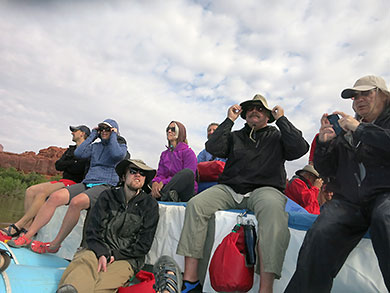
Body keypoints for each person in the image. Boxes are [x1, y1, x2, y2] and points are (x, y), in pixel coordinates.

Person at [176, 94, 309, 293]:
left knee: (274, 213)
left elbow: (300, 148)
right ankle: (191, 280)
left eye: (260, 109)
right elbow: (212, 147)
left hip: (265, 190)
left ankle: (266, 289)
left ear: (268, 116)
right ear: (245, 114)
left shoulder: (277, 135)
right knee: (196, 204)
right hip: (230, 189)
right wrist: (229, 120)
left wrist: (282, 119)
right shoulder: (235, 136)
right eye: (250, 108)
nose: (254, 111)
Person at [285, 75, 390, 292]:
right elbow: (328, 171)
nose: (358, 100)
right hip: (351, 201)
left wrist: (360, 130)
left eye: (365, 93)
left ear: (382, 94)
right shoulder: (348, 129)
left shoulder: (358, 127)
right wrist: (325, 144)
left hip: (385, 196)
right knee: (321, 231)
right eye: (354, 96)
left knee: (385, 217)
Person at [8, 119, 128, 253]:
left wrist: (113, 136)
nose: (104, 132)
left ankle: (55, 244)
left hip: (105, 185)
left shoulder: (120, 146)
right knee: (55, 197)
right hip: (87, 183)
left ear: (113, 131)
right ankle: (27, 236)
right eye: (102, 129)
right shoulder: (96, 147)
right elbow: (79, 153)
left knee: (77, 202)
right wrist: (94, 134)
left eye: (108, 129)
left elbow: (117, 155)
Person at [56, 159, 159, 293]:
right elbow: (92, 231)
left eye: (142, 173)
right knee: (83, 265)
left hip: (127, 258)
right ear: (123, 176)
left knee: (102, 286)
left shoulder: (150, 205)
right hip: (96, 249)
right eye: (133, 171)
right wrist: (102, 252)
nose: (138, 175)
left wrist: (114, 255)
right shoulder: (107, 197)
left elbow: (143, 245)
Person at [0, 125, 90, 241]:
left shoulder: (88, 150)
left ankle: (18, 225)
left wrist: (69, 163)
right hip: (63, 180)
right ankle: (27, 227)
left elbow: (78, 169)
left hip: (73, 183)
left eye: (75, 131)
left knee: (42, 192)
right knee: (30, 190)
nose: (72, 133)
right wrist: (73, 162)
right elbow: (58, 165)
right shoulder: (71, 149)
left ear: (82, 133)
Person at [151, 121, 197, 202]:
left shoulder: (188, 152)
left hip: (185, 191)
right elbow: (160, 174)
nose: (169, 131)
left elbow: (189, 176)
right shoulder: (164, 154)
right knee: (145, 176)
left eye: (173, 129)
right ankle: (166, 194)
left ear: (180, 132)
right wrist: (155, 183)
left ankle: (161, 196)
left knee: (187, 173)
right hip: (167, 187)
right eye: (168, 129)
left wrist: (164, 182)